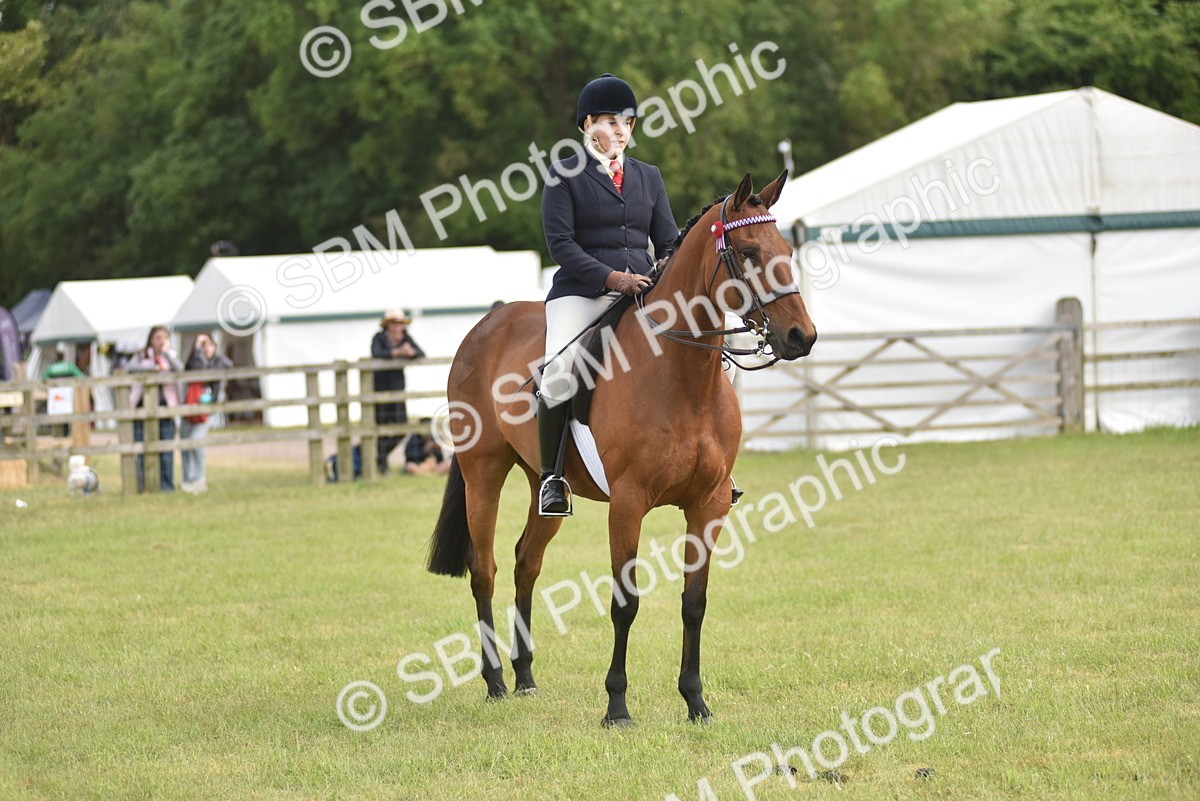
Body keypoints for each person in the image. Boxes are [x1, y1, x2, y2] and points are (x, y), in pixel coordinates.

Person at [537, 73, 679, 516]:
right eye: (610, 121)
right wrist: (612, 278)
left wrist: (663, 270)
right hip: (582, 292)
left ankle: (711, 465)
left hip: (642, 291)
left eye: (628, 123)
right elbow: (561, 245)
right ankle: (552, 478)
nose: (621, 131)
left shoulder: (648, 176)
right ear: (586, 126)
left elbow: (669, 240)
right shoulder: (564, 175)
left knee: (701, 347)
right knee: (559, 370)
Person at [126, 326, 182, 493]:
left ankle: (166, 485)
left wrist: (165, 356)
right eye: (158, 337)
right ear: (151, 339)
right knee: (142, 449)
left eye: (164, 337)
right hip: (142, 407)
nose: (161, 341)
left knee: (166, 450)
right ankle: (143, 484)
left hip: (165, 408)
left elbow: (179, 369)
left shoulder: (171, 356)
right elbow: (131, 368)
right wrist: (152, 368)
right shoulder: (141, 356)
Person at [371, 309, 425, 474]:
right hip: (380, 389)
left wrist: (410, 352)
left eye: (400, 323)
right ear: (388, 325)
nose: (398, 327)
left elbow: (421, 353)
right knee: (382, 428)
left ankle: (380, 457)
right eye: (395, 323)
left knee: (401, 427)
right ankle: (382, 464)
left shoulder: (405, 338)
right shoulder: (379, 338)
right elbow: (376, 353)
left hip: (398, 390)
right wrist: (397, 353)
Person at [180, 332, 233, 494]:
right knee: (186, 445)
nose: (205, 347)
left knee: (197, 442)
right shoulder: (194, 361)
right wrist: (197, 350)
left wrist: (212, 353)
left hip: (206, 411)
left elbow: (229, 365)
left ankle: (199, 479)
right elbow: (191, 367)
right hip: (188, 409)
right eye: (201, 344)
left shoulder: (218, 362)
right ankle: (188, 480)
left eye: (208, 343)